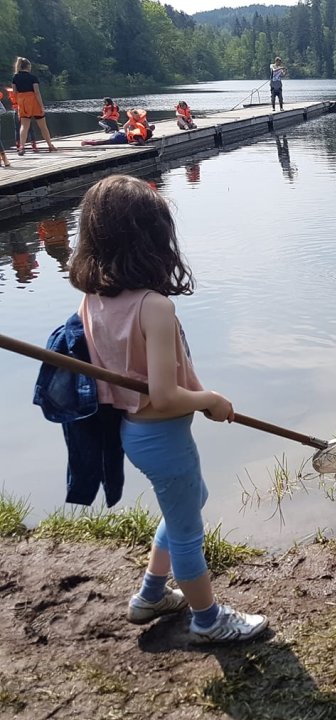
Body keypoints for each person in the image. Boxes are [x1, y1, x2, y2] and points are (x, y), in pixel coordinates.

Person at [66, 175, 269, 644]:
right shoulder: (154, 307)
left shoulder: (92, 298)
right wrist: (210, 400)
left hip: (136, 433)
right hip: (162, 434)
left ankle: (152, 595)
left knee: (188, 503)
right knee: (187, 531)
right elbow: (166, 393)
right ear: (151, 238)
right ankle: (208, 619)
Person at [11, 57, 56, 154]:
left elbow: (14, 92)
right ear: (28, 66)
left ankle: (21, 147)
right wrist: (42, 105)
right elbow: (37, 92)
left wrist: (18, 104)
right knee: (43, 126)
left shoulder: (15, 77)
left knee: (24, 126)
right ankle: (50, 145)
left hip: (22, 102)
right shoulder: (33, 78)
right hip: (34, 102)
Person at [81, 109, 153, 147]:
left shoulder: (140, 132)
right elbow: (143, 144)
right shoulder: (139, 135)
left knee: (105, 141)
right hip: (119, 137)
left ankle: (89, 141)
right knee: (105, 142)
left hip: (120, 135)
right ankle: (87, 142)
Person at [6, 84, 37, 153]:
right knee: (30, 129)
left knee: (17, 129)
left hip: (16, 110)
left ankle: (18, 146)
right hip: (25, 110)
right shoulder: (23, 92)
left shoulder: (12, 92)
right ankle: (34, 146)